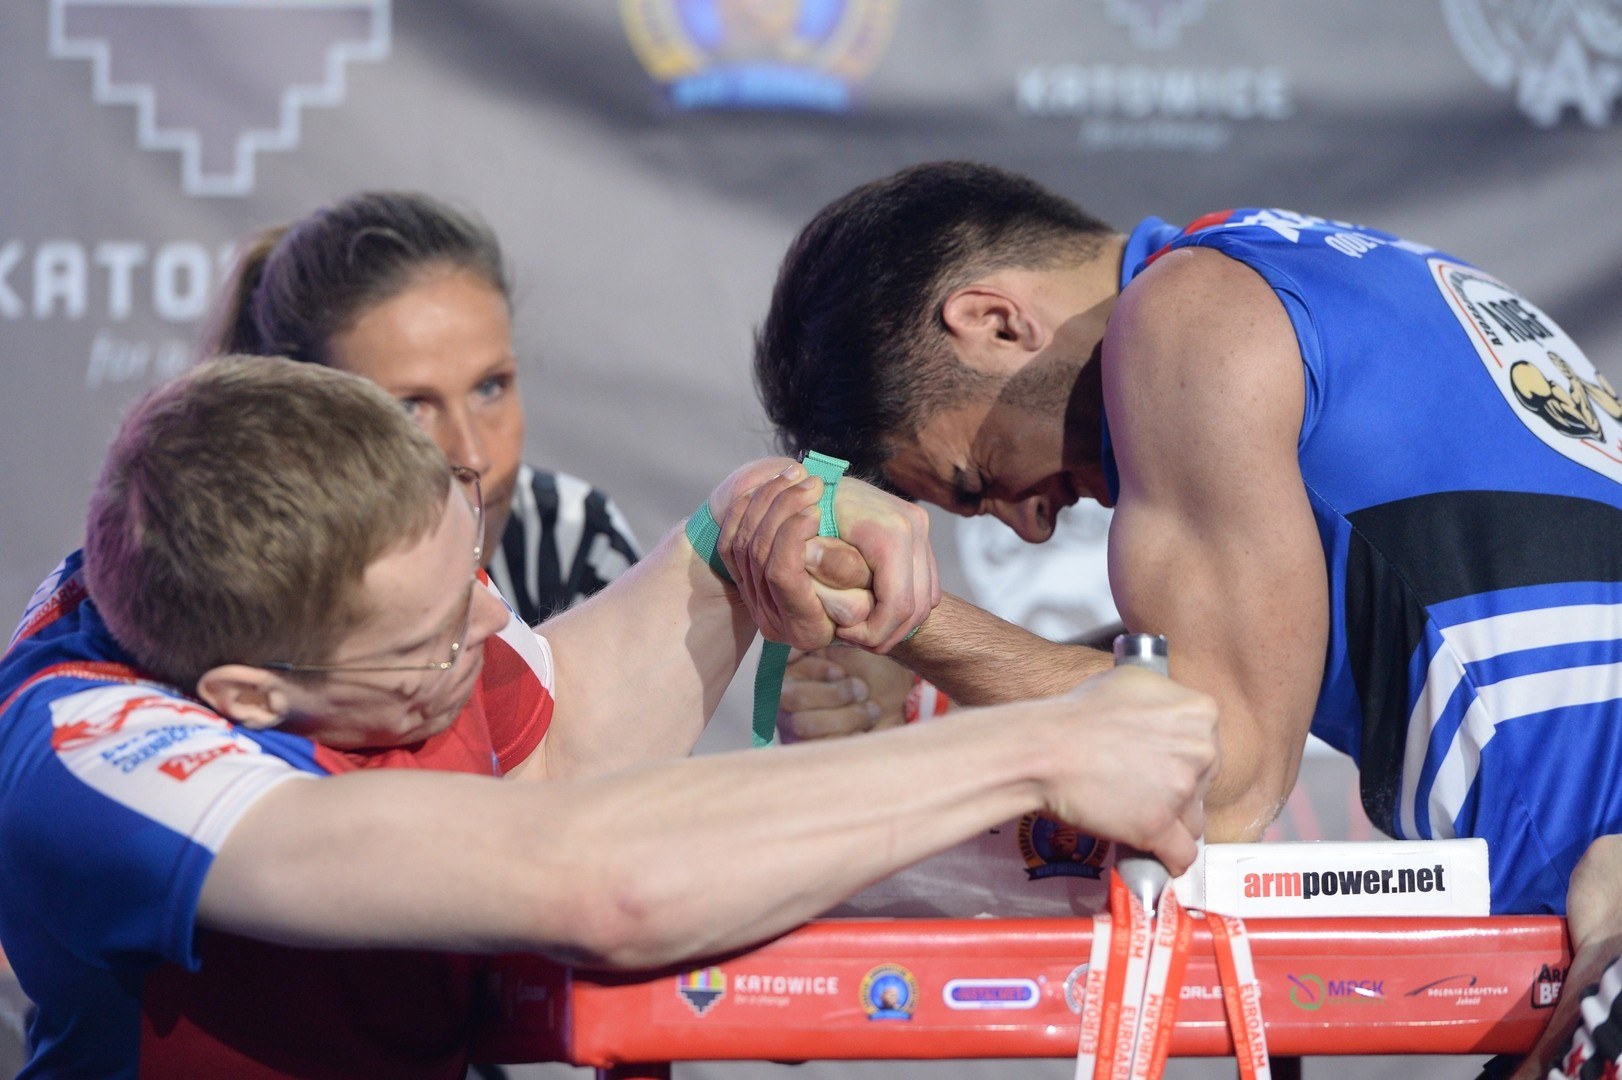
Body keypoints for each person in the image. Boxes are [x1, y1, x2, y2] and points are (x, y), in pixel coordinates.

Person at [0, 357, 1218, 1077]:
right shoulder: (92, 756)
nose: (487, 634)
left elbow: (554, 735)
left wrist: (761, 521)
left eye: (469, 574)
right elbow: (587, 876)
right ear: (247, 701)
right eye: (430, 643)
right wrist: (1042, 746)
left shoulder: (314, 575)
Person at [751, 160, 1622, 1078]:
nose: (1032, 522)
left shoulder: (1188, 316)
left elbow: (1219, 778)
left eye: (978, 480)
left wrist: (901, 619)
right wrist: (931, 694)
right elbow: (1224, 672)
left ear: (995, 321)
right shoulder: (1282, 268)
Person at [206, 190, 641, 626]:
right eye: (410, 408)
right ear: (297, 427)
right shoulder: (217, 583)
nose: (472, 456)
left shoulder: (573, 536)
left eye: (490, 387)